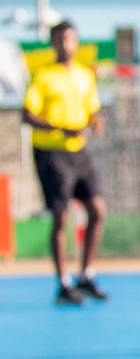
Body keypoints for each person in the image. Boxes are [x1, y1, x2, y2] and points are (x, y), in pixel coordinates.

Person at [22, 21, 110, 306]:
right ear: (52, 43)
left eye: (70, 39)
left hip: (79, 152)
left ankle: (85, 275)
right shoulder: (43, 76)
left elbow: (91, 109)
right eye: (59, 39)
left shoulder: (85, 76)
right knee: (61, 216)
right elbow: (27, 114)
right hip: (51, 152)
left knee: (97, 209)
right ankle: (63, 283)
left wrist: (95, 120)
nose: (65, 44)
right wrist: (61, 129)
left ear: (76, 42)